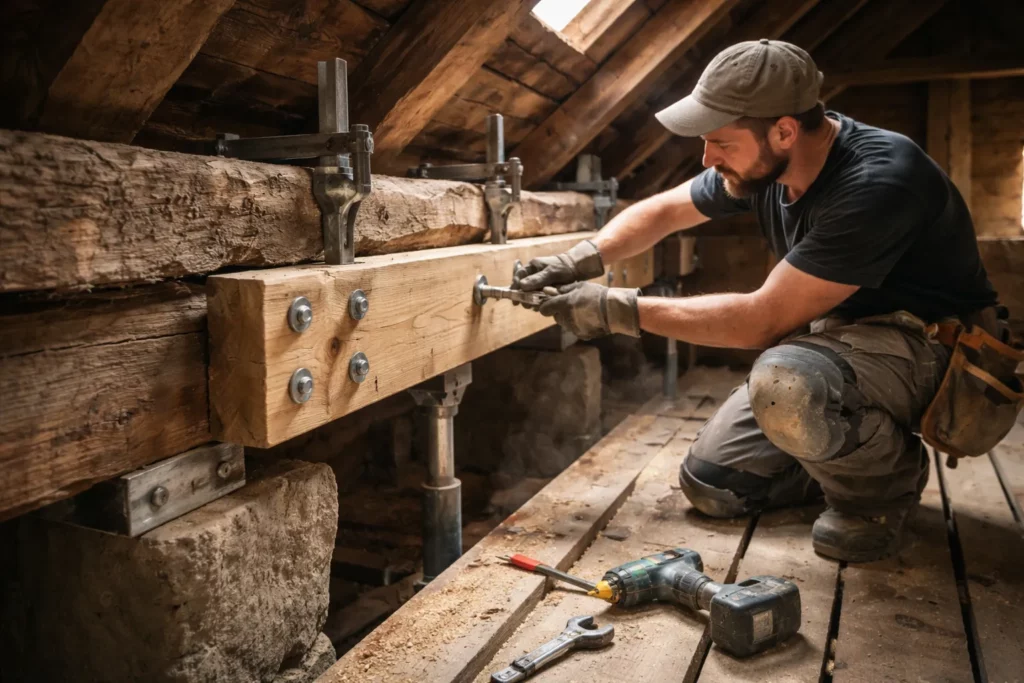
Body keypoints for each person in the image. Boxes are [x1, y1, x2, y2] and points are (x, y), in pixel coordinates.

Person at [514, 39, 1002, 563]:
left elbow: (760, 322)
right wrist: (582, 258)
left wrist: (614, 308)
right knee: (716, 485)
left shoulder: (878, 182)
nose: (707, 158)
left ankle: (882, 491)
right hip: (843, 344)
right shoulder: (763, 165)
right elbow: (663, 211)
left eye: (720, 143)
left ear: (784, 130)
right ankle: (839, 449)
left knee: (786, 385)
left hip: (938, 353)